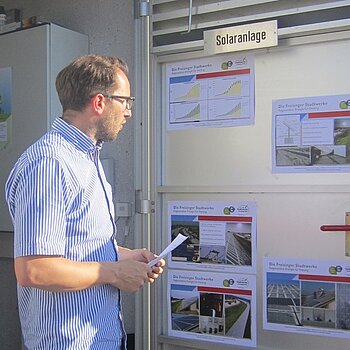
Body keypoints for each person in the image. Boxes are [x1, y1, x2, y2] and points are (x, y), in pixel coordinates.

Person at [5, 54, 165, 350]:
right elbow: (34, 269)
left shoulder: (84, 158)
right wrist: (114, 272)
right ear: (100, 102)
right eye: (125, 101)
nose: (129, 112)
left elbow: (72, 243)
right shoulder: (50, 163)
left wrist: (121, 255)